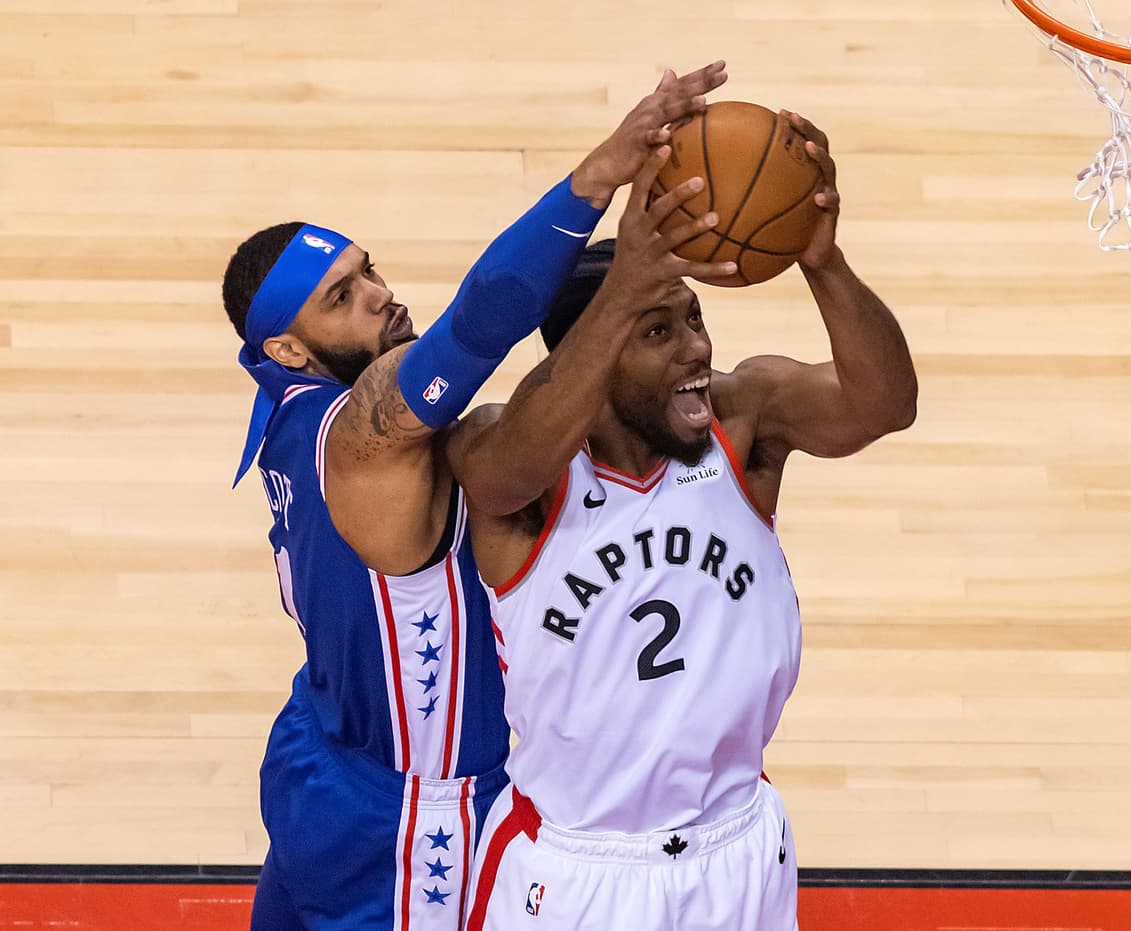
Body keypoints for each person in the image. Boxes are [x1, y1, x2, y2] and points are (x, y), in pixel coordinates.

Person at [220, 61, 730, 931]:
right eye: (342, 298)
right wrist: (598, 177)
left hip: (318, 749)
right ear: (291, 349)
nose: (381, 296)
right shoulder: (363, 433)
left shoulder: (286, 415)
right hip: (419, 817)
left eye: (367, 270)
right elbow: (479, 323)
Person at [447, 112, 918, 930]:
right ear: (586, 359)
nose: (696, 349)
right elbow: (503, 471)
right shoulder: (514, 462)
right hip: (576, 867)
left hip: (736, 845)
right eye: (657, 331)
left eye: (693, 319)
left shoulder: (744, 420)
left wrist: (824, 261)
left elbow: (886, 406)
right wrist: (621, 285)